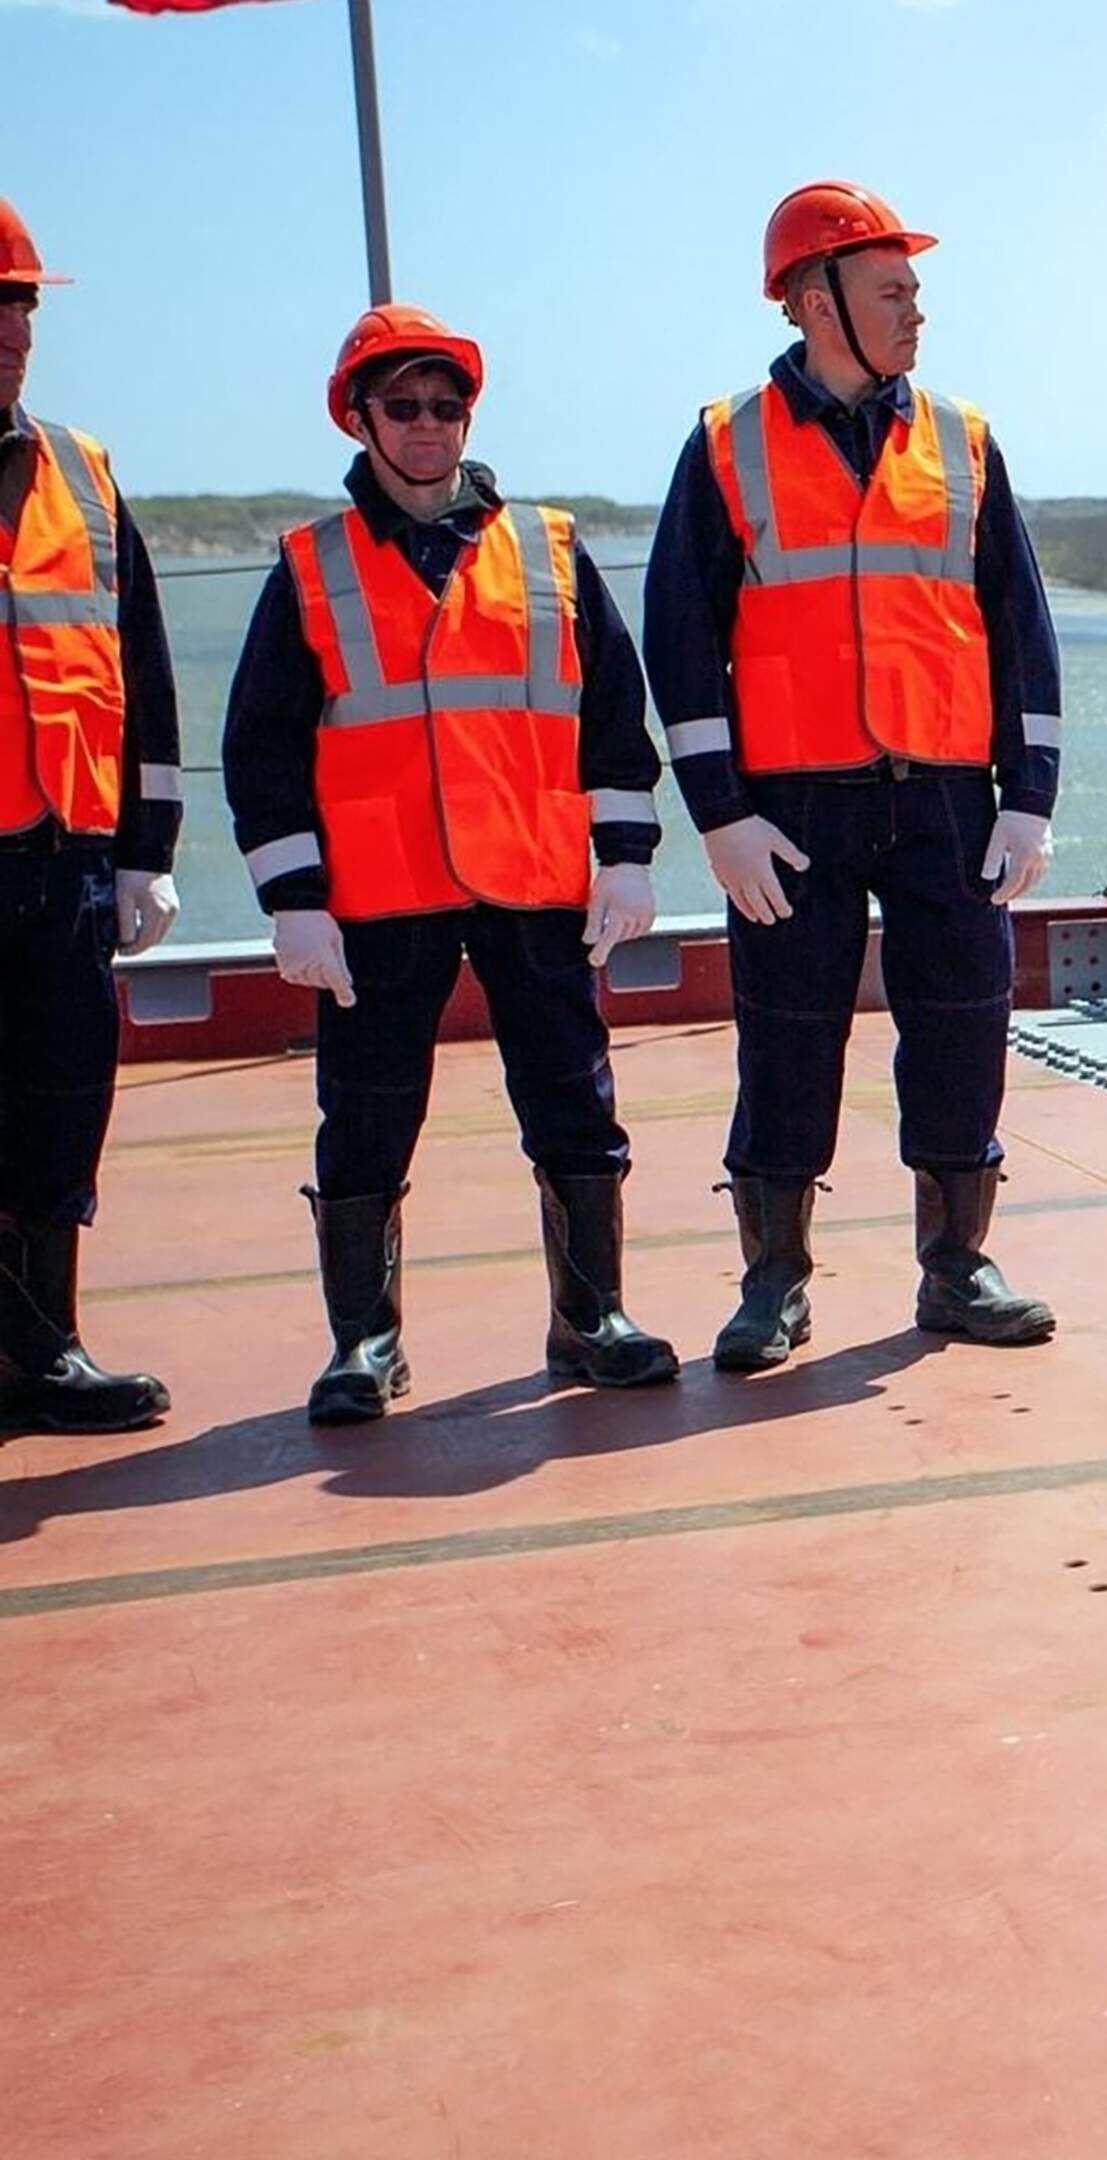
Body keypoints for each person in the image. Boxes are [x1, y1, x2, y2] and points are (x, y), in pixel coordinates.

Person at [223, 304, 677, 1424]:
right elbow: (260, 748)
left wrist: (626, 856)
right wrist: (295, 901)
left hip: (532, 881)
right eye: (404, 405)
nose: (430, 425)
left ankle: (591, 1320)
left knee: (573, 1097)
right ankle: (365, 1345)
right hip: (380, 895)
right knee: (366, 1114)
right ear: (361, 419)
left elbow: (615, 717)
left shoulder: (551, 550)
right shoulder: (310, 568)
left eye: (448, 403)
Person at [644, 180, 1063, 1373]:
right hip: (792, 803)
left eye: (916, 291)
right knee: (785, 1036)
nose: (916, 311)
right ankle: (773, 1280)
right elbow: (681, 636)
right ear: (814, 300)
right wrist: (719, 815)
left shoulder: (963, 439)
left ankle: (957, 1267)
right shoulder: (726, 445)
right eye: (893, 290)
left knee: (962, 1026)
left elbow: (1019, 623)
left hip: (943, 794)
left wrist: (1026, 793)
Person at [0, 197, 177, 1436]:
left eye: (21, 307)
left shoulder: (82, 469)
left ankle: (39, 1349)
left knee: (65, 1104)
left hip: (63, 863)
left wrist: (147, 858)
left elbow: (145, 674)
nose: (14, 330)